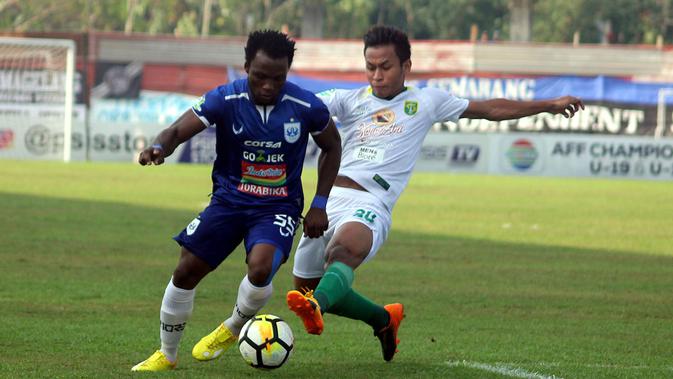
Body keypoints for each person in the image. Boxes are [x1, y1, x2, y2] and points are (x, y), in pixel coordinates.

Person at [286, 25, 584, 362]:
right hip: (328, 201)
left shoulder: (426, 101)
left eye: (385, 66)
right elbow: (298, 106)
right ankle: (383, 320)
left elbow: (489, 109)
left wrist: (548, 105)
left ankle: (316, 307)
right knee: (305, 286)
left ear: (406, 67)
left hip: (371, 202)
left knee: (344, 251)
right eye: (371, 67)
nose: (377, 75)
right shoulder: (347, 100)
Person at [131, 29, 341, 371]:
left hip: (278, 207)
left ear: (288, 73)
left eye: (278, 78)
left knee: (260, 268)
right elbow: (176, 131)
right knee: (185, 271)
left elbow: (332, 146)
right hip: (228, 202)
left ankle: (233, 326)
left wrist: (319, 203)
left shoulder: (306, 106)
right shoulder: (224, 99)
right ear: (246, 67)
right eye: (260, 77)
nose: (269, 86)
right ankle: (166, 355)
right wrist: (159, 147)